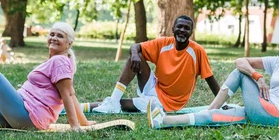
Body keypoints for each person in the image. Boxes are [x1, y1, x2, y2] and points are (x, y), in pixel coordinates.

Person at [148, 30, 279, 129]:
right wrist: (258, 77)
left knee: (241, 75)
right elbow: (240, 60)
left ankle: (211, 107)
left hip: (275, 114)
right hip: (262, 109)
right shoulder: (277, 62)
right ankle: (164, 122)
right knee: (216, 118)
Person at [90, 15, 220, 114]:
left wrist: (221, 103)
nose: (182, 30)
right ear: (173, 28)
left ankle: (110, 102)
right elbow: (135, 46)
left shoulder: (197, 51)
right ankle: (112, 101)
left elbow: (210, 79)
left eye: (186, 28)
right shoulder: (164, 43)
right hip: (154, 86)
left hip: (168, 103)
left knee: (122, 104)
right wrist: (134, 54)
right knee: (137, 55)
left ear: (191, 32)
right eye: (179, 26)